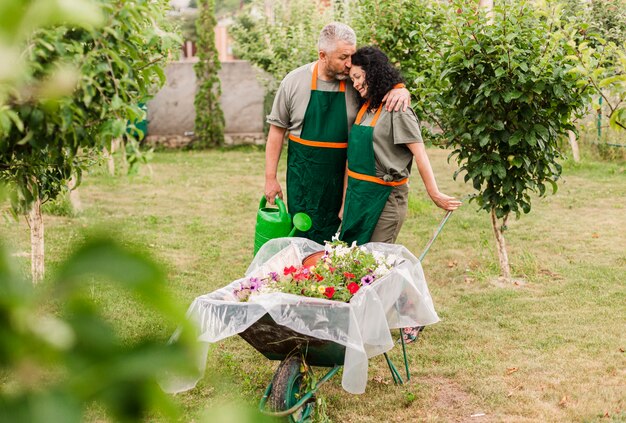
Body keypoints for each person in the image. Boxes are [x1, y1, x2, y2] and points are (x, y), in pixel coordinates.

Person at [264, 22, 410, 245]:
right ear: (323, 55)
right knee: (300, 240)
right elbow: (276, 131)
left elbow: (384, 83)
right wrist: (270, 178)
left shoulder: (356, 83)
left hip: (344, 182)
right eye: (343, 57)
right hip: (304, 180)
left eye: (352, 55)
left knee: (342, 246)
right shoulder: (293, 82)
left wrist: (400, 88)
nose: (350, 63)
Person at [339, 46, 461, 246]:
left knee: (376, 264)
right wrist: (345, 202)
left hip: (384, 201)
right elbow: (351, 161)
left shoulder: (398, 109)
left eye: (358, 77)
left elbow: (420, 155)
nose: (356, 84)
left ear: (373, 72)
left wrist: (435, 194)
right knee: (354, 264)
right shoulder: (366, 108)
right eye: (352, 79)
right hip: (357, 198)